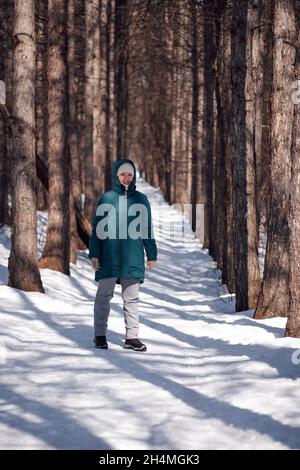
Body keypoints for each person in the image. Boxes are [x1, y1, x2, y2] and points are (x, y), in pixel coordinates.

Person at [89, 158, 157, 352]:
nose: (126, 178)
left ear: (134, 176)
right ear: (116, 176)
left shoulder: (141, 199)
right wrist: (94, 254)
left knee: (132, 299)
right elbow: (97, 230)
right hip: (108, 256)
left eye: (129, 174)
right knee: (103, 296)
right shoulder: (107, 198)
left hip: (132, 257)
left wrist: (151, 255)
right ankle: (100, 336)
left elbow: (147, 229)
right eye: (122, 174)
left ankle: (132, 338)